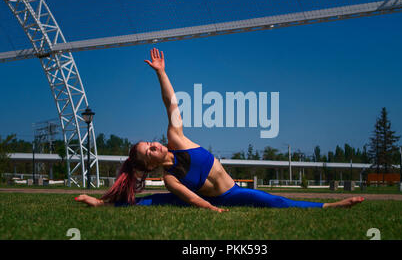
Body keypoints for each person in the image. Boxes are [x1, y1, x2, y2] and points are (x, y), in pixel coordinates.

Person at [75, 48, 364, 212]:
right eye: (149, 150)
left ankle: (329, 206)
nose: (155, 144)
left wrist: (161, 73)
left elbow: (171, 104)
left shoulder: (176, 139)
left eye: (151, 142)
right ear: (148, 164)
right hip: (224, 197)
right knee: (154, 200)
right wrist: (213, 210)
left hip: (233, 188)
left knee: (275, 200)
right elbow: (192, 198)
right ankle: (101, 203)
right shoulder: (169, 178)